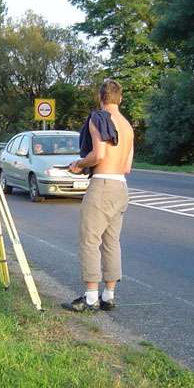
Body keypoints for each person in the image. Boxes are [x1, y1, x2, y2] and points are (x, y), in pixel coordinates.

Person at [64, 79, 134, 312]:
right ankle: (109, 295)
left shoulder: (98, 118)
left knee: (90, 240)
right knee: (112, 241)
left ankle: (91, 297)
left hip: (102, 184)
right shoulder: (127, 126)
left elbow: (99, 154)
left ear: (99, 97)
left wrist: (79, 163)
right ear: (120, 98)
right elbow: (127, 167)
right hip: (121, 187)